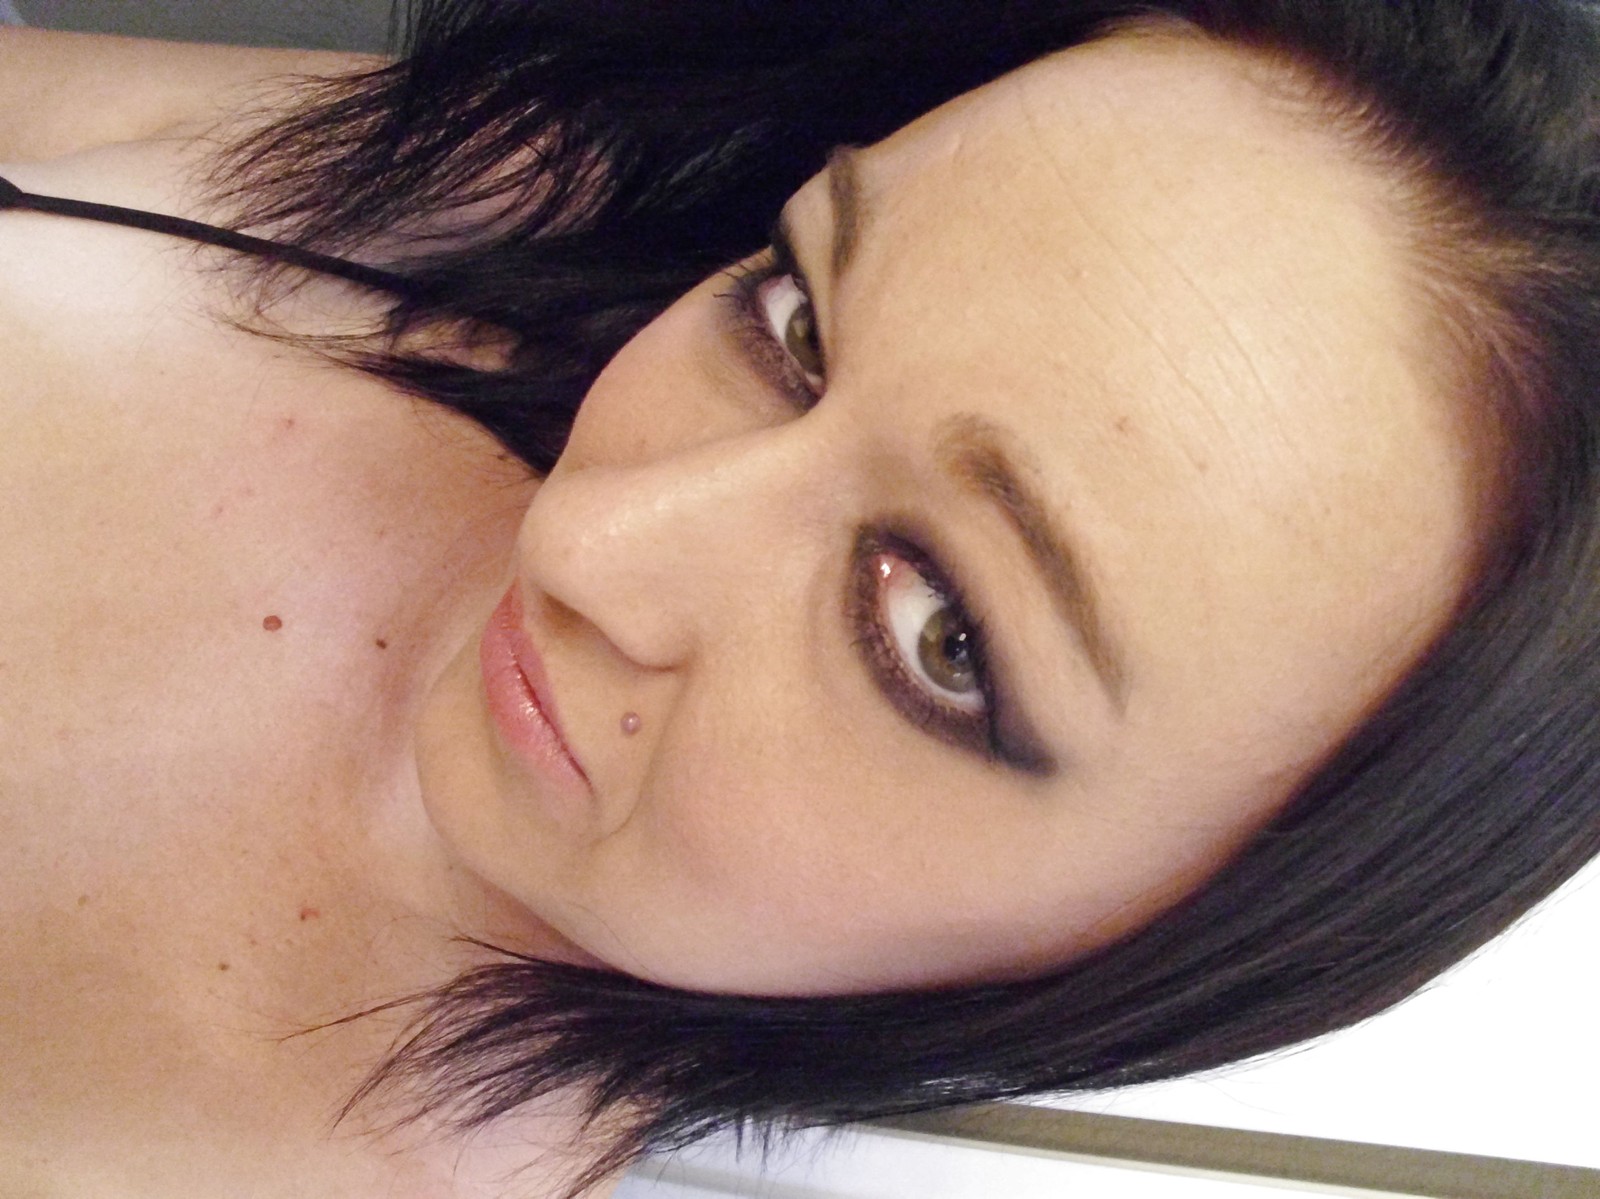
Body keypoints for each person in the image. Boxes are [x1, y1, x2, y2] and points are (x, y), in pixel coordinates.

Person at [3, 1, 1599, 1196]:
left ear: (1172, 942)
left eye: (939, 638)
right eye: (800, 326)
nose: (582, 545)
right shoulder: (526, 194)